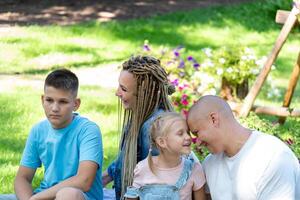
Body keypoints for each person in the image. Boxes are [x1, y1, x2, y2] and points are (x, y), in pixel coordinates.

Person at [7, 69, 103, 200]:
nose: (55, 108)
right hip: (45, 196)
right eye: (49, 100)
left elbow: (84, 181)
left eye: (63, 102)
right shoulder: (38, 131)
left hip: (76, 196)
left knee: (67, 194)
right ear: (42, 100)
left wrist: (36, 198)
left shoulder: (88, 130)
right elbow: (22, 178)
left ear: (76, 104)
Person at [187, 95, 300, 200]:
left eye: (197, 133)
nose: (198, 142)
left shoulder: (274, 157)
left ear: (213, 119)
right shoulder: (210, 164)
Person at [102, 55, 175, 199]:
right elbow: (125, 161)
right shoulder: (139, 114)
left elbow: (159, 188)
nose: (117, 93)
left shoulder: (155, 129)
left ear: (144, 94)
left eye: (123, 89)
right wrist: (102, 178)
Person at [124, 112, 206, 200]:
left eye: (188, 132)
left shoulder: (193, 169)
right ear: (162, 142)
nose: (188, 137)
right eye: (180, 133)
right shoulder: (143, 168)